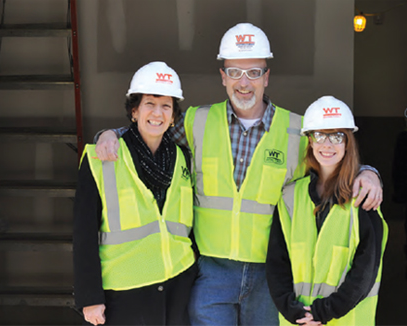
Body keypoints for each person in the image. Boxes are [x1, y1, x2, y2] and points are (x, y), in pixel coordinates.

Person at [94, 23, 383, 326]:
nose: (244, 83)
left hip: (272, 276)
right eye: (234, 72)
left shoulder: (297, 130)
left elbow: (333, 156)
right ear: (223, 76)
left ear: (266, 76)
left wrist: (368, 172)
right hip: (210, 272)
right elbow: (149, 133)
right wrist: (109, 133)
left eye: (254, 72)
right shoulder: (197, 121)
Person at [73, 61, 197, 325]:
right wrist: (90, 298)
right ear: (134, 111)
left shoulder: (182, 157)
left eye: (166, 106)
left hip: (178, 286)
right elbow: (83, 233)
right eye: (149, 104)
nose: (157, 113)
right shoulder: (101, 157)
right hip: (124, 293)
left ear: (174, 115)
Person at [266, 96, 388, 326]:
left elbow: (365, 271)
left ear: (347, 142)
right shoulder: (290, 197)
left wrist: (323, 312)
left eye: (337, 136)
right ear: (310, 141)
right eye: (320, 135)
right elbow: (277, 263)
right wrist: (294, 312)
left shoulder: (363, 197)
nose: (327, 144)